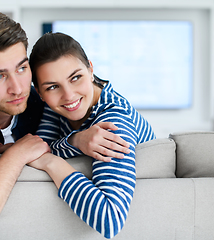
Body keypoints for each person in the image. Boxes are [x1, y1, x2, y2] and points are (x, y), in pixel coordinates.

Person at [0, 11, 127, 240]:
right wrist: (18, 154)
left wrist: (75, 140)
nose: (18, 88)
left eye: (22, 68)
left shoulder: (43, 101)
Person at [28, 32, 156, 238]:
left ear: (90, 69)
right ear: (40, 93)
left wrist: (51, 163)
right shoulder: (54, 107)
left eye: (76, 77)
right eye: (53, 87)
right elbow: (41, 146)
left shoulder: (114, 121)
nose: (68, 96)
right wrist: (76, 140)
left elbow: (110, 219)